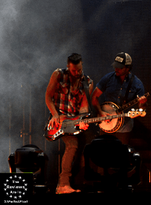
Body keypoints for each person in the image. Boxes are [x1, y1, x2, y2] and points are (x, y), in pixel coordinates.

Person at [45, 53, 93, 194]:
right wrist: (55, 115)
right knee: (72, 145)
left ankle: (72, 184)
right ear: (68, 67)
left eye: (79, 70)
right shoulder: (58, 75)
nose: (77, 73)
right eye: (73, 71)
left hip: (74, 121)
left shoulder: (87, 82)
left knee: (83, 149)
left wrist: (82, 122)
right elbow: (48, 96)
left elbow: (84, 108)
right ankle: (62, 185)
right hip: (58, 119)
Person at [91, 52, 147, 145]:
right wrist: (101, 113)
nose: (116, 69)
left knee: (121, 156)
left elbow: (143, 108)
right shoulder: (108, 78)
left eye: (120, 67)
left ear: (127, 68)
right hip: (106, 123)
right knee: (103, 154)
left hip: (125, 126)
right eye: (115, 66)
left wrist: (143, 103)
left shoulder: (137, 83)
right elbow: (94, 96)